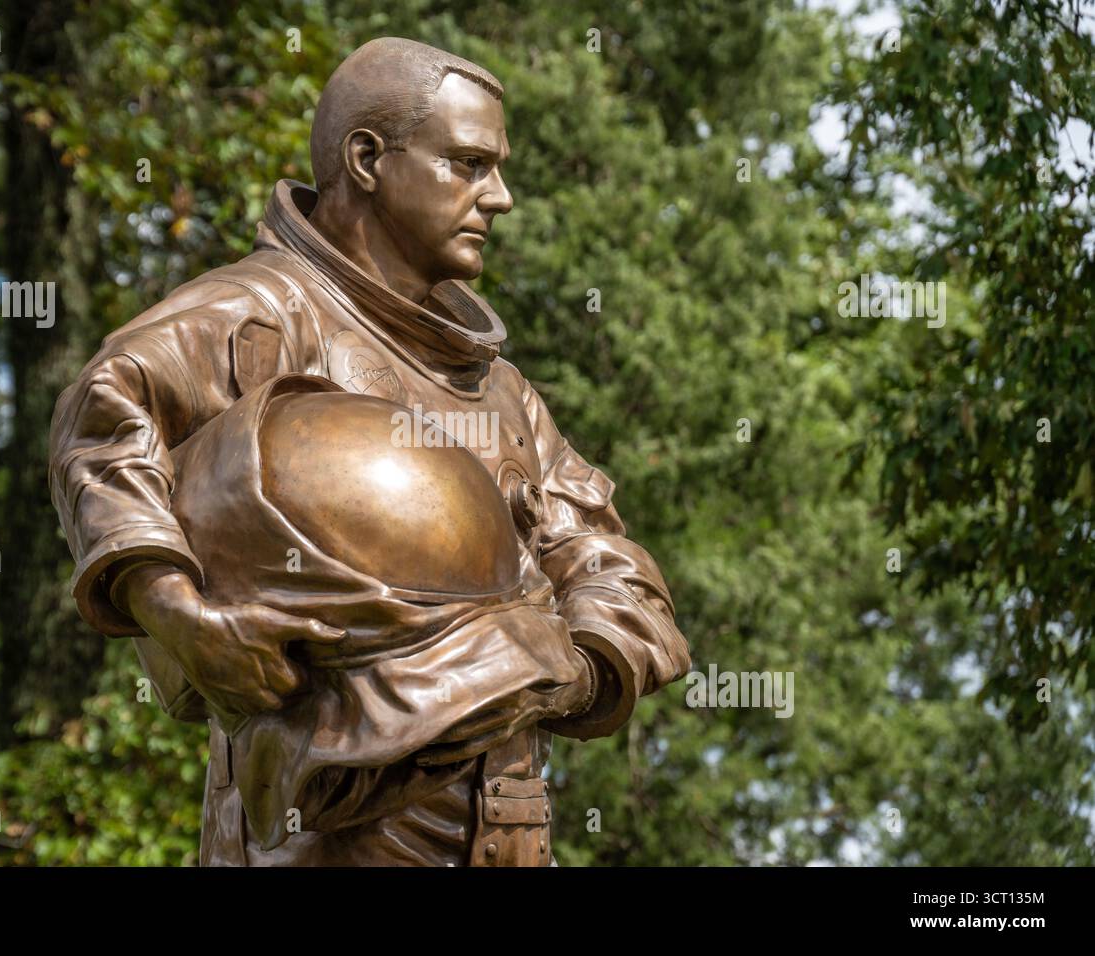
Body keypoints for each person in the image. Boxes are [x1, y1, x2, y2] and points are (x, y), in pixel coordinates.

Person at [48, 36, 690, 866]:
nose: (500, 196)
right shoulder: (257, 318)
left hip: (509, 831)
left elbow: (608, 561)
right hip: (314, 836)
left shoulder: (502, 392)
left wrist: (560, 673)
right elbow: (102, 417)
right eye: (467, 164)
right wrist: (176, 611)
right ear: (367, 159)